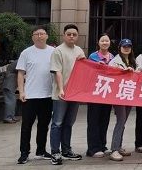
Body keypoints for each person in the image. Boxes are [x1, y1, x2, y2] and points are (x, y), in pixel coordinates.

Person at [16, 26, 55, 164]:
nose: (39, 36)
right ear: (32, 37)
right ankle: (24, 153)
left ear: (47, 36)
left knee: (44, 125)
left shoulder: (53, 51)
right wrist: (21, 91)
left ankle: (41, 151)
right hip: (30, 95)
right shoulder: (26, 53)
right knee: (26, 126)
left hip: (47, 95)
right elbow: (20, 73)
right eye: (36, 34)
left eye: (42, 33)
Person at [49, 24, 86, 165]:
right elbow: (57, 71)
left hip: (75, 93)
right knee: (57, 123)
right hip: (61, 94)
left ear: (77, 36)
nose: (71, 36)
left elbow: (84, 69)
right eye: (69, 34)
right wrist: (61, 89)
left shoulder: (79, 50)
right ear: (64, 35)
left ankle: (66, 150)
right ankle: (55, 152)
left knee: (69, 123)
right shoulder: (58, 51)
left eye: (74, 34)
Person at [108, 38, 137, 161]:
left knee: (123, 122)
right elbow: (110, 74)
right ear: (119, 48)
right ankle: (114, 150)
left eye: (128, 46)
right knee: (120, 121)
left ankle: (118, 146)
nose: (126, 48)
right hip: (118, 95)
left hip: (128, 94)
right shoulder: (115, 61)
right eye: (124, 46)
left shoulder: (132, 61)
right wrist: (122, 72)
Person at [86, 33, 113, 158]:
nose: (105, 43)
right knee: (94, 120)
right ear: (98, 42)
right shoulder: (93, 56)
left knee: (104, 120)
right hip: (95, 92)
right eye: (102, 40)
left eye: (107, 41)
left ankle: (102, 145)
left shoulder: (113, 57)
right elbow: (89, 72)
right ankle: (93, 148)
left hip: (107, 93)